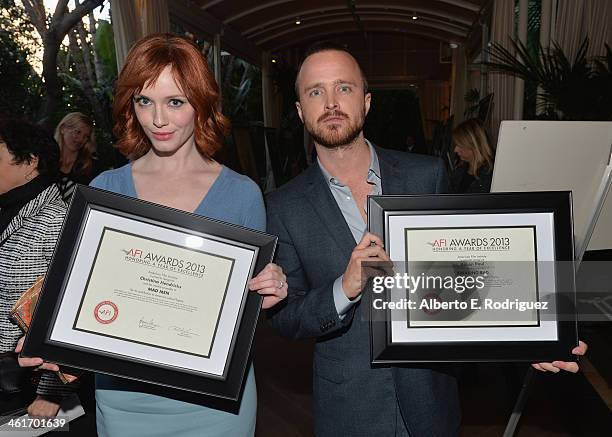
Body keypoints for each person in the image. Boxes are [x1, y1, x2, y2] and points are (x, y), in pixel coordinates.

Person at [265, 42, 587, 437]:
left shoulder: (425, 175)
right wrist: (343, 288)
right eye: (316, 91)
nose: (331, 102)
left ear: (366, 102)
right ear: (300, 110)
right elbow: (286, 317)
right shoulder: (284, 206)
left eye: (344, 88)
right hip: (350, 408)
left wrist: (530, 337)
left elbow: (467, 273)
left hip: (430, 399)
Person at [17, 33, 288, 436]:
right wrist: (53, 340)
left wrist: (270, 290)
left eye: (174, 102)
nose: (157, 119)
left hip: (213, 405)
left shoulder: (241, 194)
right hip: (123, 401)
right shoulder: (105, 190)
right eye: (144, 101)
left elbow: (239, 318)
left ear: (201, 103)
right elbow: (83, 296)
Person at [0, 118, 73, 418]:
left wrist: (52, 391)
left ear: (30, 162)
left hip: (24, 386)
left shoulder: (57, 219)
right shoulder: (7, 208)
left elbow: (71, 310)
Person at [54, 112, 101, 202]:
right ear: (63, 128)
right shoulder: (45, 160)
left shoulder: (91, 167)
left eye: (85, 136)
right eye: (77, 132)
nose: (80, 139)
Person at [450, 118, 494, 193]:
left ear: (475, 145)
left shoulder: (491, 176)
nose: (455, 150)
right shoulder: (459, 170)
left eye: (460, 145)